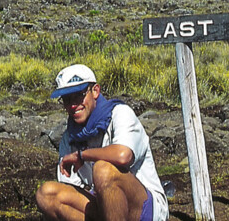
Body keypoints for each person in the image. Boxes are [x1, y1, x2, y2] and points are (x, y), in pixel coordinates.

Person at [36, 64, 168, 221]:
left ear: (95, 91)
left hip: (144, 208)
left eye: (79, 95)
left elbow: (123, 155)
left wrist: (83, 156)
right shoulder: (69, 137)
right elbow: (71, 185)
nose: (73, 105)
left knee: (103, 169)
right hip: (103, 205)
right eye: (66, 99)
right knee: (46, 194)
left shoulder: (120, 114)